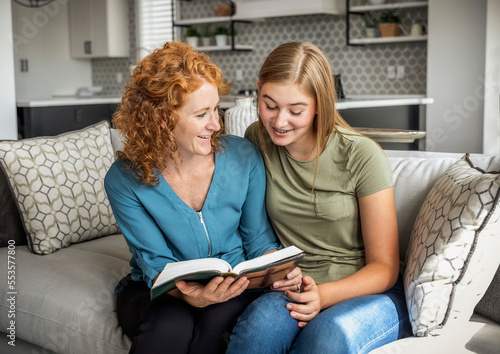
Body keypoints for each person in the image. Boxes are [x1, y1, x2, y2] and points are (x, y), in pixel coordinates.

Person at [104, 41, 301, 354]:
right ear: (162, 119)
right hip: (158, 289)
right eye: (201, 114)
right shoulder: (124, 178)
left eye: (216, 110)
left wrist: (276, 269)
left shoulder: (242, 157)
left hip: (233, 284)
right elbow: (155, 263)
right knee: (171, 326)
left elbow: (259, 241)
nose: (216, 124)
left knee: (212, 324)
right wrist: (189, 295)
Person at [226, 42, 411, 354]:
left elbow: (384, 267)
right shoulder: (256, 138)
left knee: (327, 339)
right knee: (257, 329)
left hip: (368, 290)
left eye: (295, 111)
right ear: (258, 91)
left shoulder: (361, 155)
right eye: (269, 105)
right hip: (293, 285)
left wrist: (323, 295)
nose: (279, 122)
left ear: (319, 106)